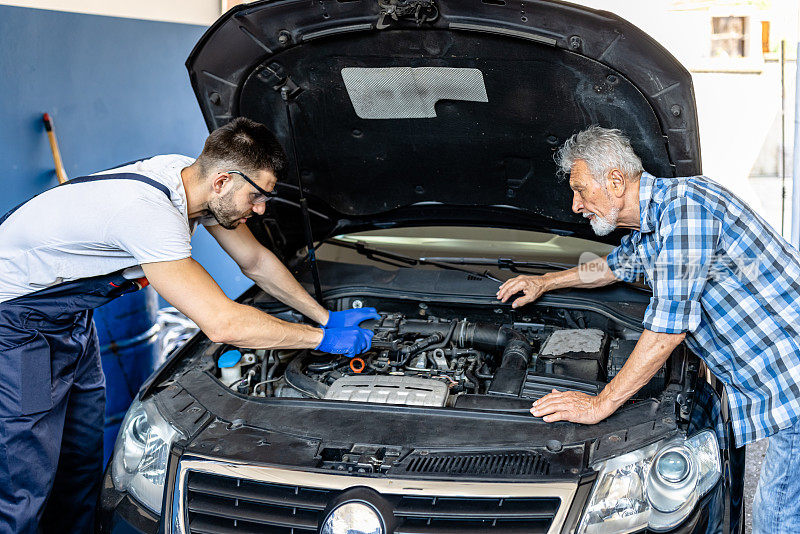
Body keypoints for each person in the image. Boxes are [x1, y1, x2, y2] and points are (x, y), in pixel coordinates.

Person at [0, 117, 377, 533]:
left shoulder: (192, 180)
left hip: (70, 319)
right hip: (17, 327)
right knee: (25, 480)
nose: (261, 209)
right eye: (257, 197)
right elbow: (221, 323)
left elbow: (255, 262)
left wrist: (325, 316)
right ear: (222, 181)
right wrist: (321, 339)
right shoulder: (149, 213)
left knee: (79, 460)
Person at [496, 125, 800, 533]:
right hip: (782, 380)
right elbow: (608, 268)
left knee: (775, 519)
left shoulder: (688, 211)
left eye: (582, 190)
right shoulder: (656, 224)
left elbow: (667, 331)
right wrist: (545, 282)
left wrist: (599, 404)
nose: (575, 204)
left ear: (617, 181)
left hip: (794, 380)